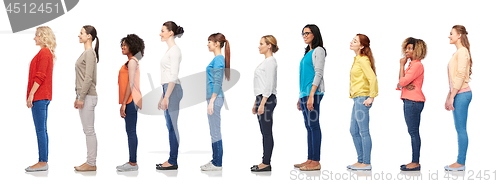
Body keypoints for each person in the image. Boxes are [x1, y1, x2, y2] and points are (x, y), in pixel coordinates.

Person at [293, 24, 326, 171]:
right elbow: (303, 77)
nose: (304, 35)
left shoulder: (319, 50)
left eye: (307, 33)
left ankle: (316, 161)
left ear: (314, 34)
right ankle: (310, 159)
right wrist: (300, 97)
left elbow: (318, 73)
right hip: (305, 94)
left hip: (314, 94)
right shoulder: (308, 52)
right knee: (309, 127)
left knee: (314, 126)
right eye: (303, 33)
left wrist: (312, 94)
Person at [25, 26, 56, 172]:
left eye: (37, 35)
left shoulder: (44, 52)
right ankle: (43, 160)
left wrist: (31, 94)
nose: (34, 38)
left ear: (43, 36)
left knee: (40, 130)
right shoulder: (46, 52)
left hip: (40, 97)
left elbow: (40, 76)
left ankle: (43, 162)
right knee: (42, 129)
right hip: (42, 96)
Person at [156, 21, 184, 171]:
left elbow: (173, 76)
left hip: (172, 89)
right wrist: (163, 96)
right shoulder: (170, 50)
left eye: (162, 31)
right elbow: (167, 77)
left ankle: (173, 161)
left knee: (172, 126)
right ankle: (172, 159)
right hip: (168, 89)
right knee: (170, 126)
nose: (160, 33)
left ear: (170, 33)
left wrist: (167, 96)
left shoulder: (175, 50)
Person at [200, 33, 230, 171]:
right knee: (213, 131)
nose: (208, 44)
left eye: (210, 41)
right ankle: (215, 161)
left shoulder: (218, 59)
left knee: (215, 131)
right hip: (214, 98)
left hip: (215, 98)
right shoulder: (217, 59)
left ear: (217, 43)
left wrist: (211, 101)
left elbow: (218, 82)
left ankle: (217, 163)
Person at [347, 34, 378, 171]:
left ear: (362, 46)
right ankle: (361, 161)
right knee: (353, 130)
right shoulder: (357, 59)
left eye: (355, 41)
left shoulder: (363, 60)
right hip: (356, 99)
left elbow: (373, 79)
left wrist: (372, 97)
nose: (351, 42)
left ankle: (366, 162)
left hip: (362, 99)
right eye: (352, 40)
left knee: (363, 131)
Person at [444, 25, 473, 171]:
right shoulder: (458, 52)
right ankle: (460, 161)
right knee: (459, 128)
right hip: (458, 94)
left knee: (461, 129)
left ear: (459, 35)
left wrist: (452, 96)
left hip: (462, 94)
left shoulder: (462, 52)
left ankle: (460, 162)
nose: (449, 36)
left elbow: (461, 76)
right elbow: (454, 77)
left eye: (451, 33)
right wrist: (449, 96)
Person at [397, 37, 427, 171]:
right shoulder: (412, 65)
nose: (406, 50)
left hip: (413, 102)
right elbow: (400, 84)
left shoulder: (417, 65)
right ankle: (415, 161)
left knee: (414, 132)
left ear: (417, 50)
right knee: (413, 132)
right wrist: (402, 81)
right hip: (410, 101)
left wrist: (401, 67)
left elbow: (401, 82)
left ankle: (415, 162)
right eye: (406, 48)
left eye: (410, 48)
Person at [250, 35, 278, 172]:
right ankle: (264, 161)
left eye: (261, 43)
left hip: (267, 99)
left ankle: (266, 163)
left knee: (267, 133)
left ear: (269, 45)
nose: (259, 46)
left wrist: (263, 103)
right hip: (262, 99)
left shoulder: (271, 62)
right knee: (264, 132)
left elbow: (269, 84)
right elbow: (260, 84)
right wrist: (256, 102)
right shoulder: (266, 62)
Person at [116, 34, 144, 172]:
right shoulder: (130, 62)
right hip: (131, 100)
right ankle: (132, 162)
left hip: (131, 100)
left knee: (131, 131)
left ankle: (133, 163)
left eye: (125, 45)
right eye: (122, 44)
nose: (122, 47)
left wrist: (124, 104)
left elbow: (130, 83)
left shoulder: (132, 61)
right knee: (130, 131)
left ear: (132, 46)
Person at [74, 25, 100, 171]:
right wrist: (77, 96)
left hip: (88, 96)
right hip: (84, 96)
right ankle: (90, 162)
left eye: (82, 33)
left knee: (89, 130)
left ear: (89, 36)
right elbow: (81, 77)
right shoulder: (86, 53)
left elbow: (88, 78)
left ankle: (91, 163)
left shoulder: (90, 53)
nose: (79, 35)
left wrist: (81, 97)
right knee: (87, 130)